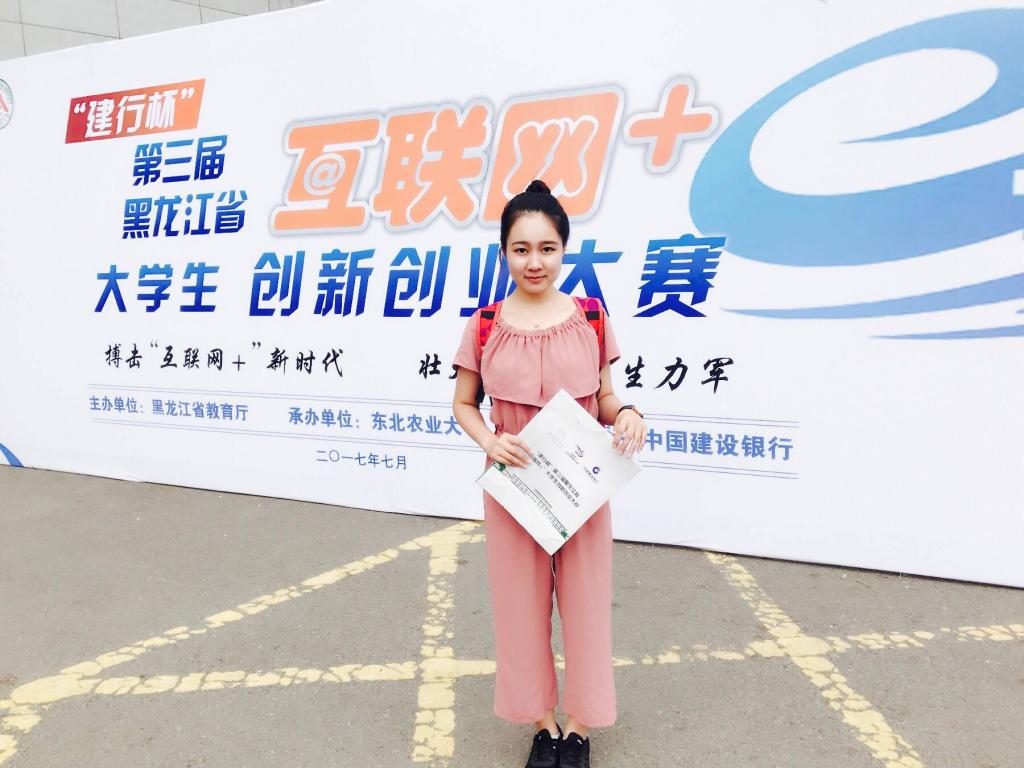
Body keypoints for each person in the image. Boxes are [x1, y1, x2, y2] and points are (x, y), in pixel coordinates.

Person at [451, 179, 646, 768]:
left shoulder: (590, 318)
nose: (534, 262)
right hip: (514, 488)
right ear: (504, 253)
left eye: (546, 248)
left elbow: (606, 397)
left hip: (581, 489)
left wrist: (628, 413)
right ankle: (542, 724)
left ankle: (579, 729)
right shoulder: (485, 324)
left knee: (585, 606)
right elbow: (463, 403)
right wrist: (490, 441)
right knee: (519, 609)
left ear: (564, 250)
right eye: (521, 249)